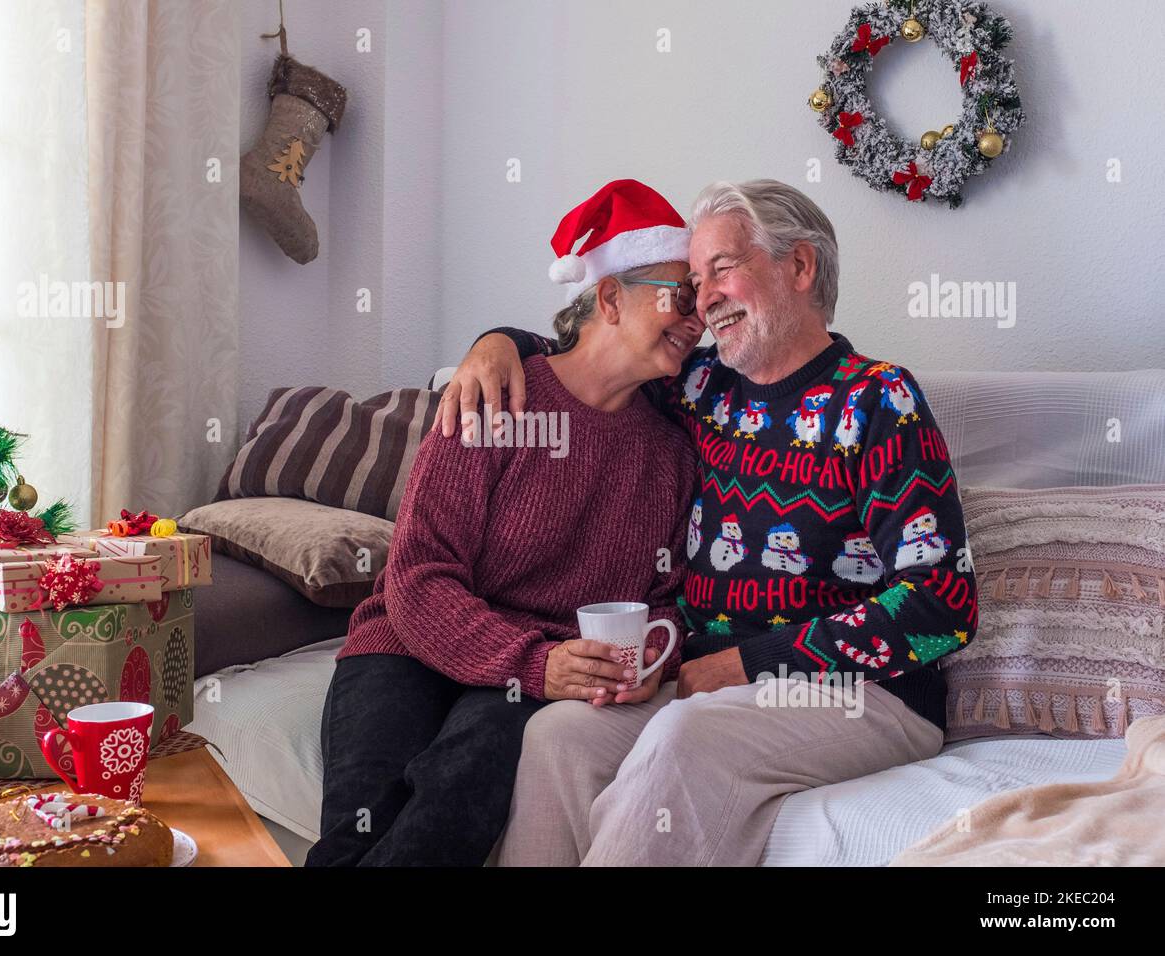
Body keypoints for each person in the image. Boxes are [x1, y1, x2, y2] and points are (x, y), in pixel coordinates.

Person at [439, 179, 979, 866]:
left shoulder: (878, 398)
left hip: (867, 694)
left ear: (800, 267)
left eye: (722, 268)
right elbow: (588, 354)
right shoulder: (699, 387)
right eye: (694, 281)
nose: (704, 298)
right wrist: (498, 341)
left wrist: (748, 665)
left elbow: (944, 606)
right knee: (559, 737)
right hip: (710, 681)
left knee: (685, 735)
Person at [305, 179, 702, 866]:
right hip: (409, 642)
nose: (695, 319)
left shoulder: (671, 451)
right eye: (679, 297)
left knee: (461, 788)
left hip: (534, 670)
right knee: (360, 828)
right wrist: (533, 662)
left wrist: (650, 660)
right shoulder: (497, 397)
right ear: (609, 296)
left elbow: (666, 600)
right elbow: (419, 574)